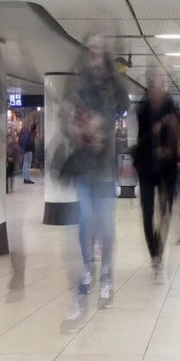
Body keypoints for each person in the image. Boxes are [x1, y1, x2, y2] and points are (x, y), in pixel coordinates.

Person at [62, 34, 129, 317]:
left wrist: (104, 124)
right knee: (86, 218)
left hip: (103, 168)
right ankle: (89, 266)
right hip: (83, 165)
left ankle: (107, 273)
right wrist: (75, 127)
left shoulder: (113, 87)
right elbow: (66, 118)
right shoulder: (78, 85)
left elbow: (124, 105)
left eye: (101, 51)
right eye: (91, 50)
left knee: (104, 223)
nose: (96, 55)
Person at [134, 75, 180, 280]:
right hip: (146, 168)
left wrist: (172, 151)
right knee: (147, 214)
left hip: (168, 169)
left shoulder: (173, 110)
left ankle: (159, 251)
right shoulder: (142, 109)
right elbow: (140, 138)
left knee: (165, 214)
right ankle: (154, 253)